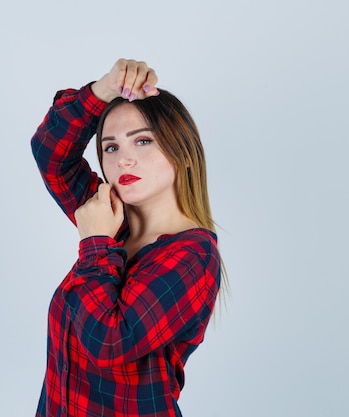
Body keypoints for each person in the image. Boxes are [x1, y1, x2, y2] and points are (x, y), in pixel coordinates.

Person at [30, 59, 224, 417]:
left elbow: (108, 342)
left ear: (181, 151)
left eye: (143, 141)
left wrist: (94, 246)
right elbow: (51, 154)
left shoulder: (193, 254)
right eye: (111, 147)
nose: (124, 161)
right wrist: (103, 90)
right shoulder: (114, 225)